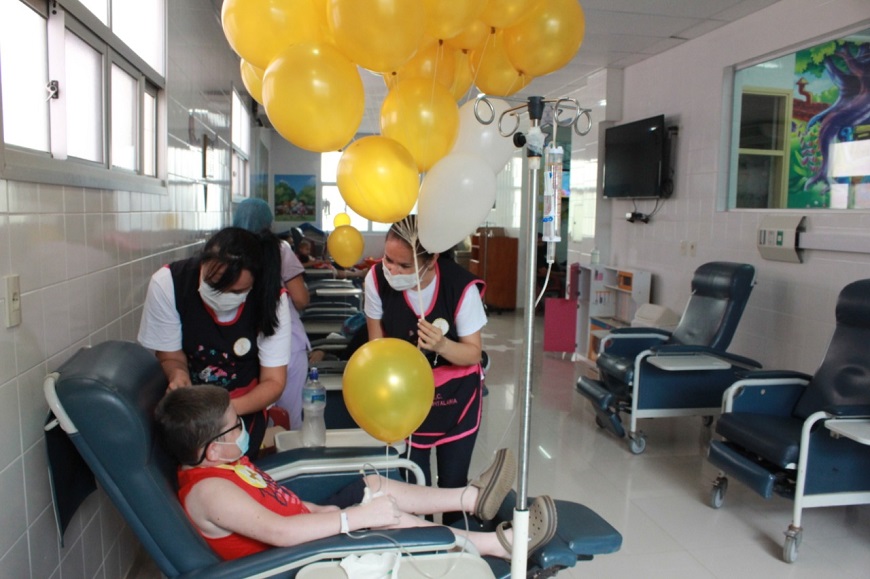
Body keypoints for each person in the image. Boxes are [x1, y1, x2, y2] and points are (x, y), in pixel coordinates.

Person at [154, 385, 557, 561]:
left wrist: (320, 511)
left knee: (374, 485)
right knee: (389, 516)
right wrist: (355, 519)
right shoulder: (209, 492)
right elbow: (279, 534)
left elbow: (276, 503)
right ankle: (497, 547)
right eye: (234, 426)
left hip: (307, 527)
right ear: (208, 448)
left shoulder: (222, 459)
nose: (242, 429)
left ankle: (471, 498)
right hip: (299, 557)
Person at [364, 215, 487, 522]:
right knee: (411, 485)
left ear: (431, 259)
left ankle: (457, 553)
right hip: (406, 396)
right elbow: (377, 349)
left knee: (453, 486)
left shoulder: (460, 287)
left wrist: (443, 346)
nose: (392, 270)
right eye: (388, 260)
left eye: (404, 266)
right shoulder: (376, 280)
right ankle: (419, 552)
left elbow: (473, 353)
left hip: (456, 397)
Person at [138, 227, 291, 459]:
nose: (222, 296)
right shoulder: (170, 283)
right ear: (203, 263)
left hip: (242, 407)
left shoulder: (270, 299)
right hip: (190, 411)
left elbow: (273, 382)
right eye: (214, 286)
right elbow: (170, 355)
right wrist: (177, 375)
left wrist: (223, 414)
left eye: (236, 291)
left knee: (230, 472)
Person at [233, 198, 310, 430]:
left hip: (240, 345)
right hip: (285, 346)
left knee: (251, 423)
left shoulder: (226, 250)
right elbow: (300, 298)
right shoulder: (279, 249)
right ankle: (288, 464)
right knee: (288, 422)